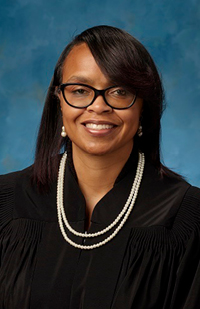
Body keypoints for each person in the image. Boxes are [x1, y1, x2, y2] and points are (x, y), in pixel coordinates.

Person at [0, 25, 200, 309]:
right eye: (80, 90)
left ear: (143, 106)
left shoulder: (188, 219)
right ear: (59, 101)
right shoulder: (7, 202)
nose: (98, 106)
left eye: (119, 91)